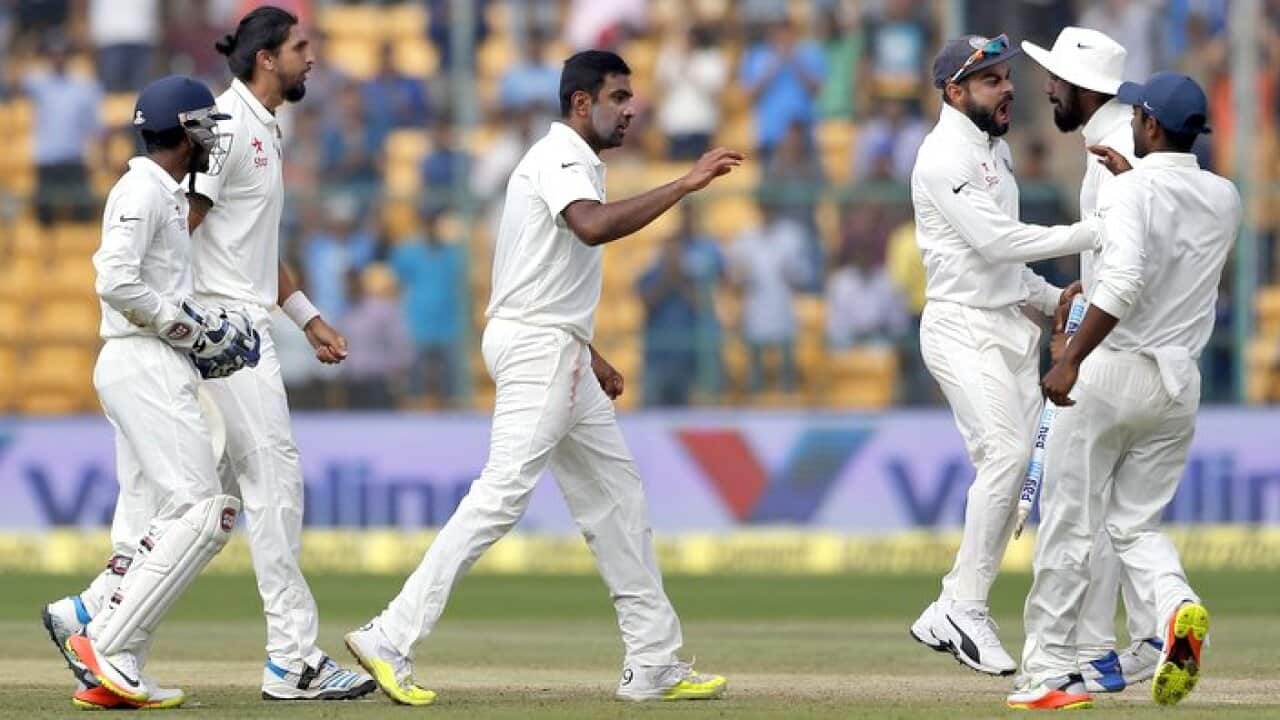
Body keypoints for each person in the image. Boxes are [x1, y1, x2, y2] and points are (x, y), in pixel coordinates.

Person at [343, 50, 739, 706]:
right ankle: (389, 635)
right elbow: (589, 230)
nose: (631, 108)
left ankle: (654, 662)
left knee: (618, 500)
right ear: (581, 103)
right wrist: (685, 184)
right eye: (618, 96)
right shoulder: (561, 156)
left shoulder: (578, 161)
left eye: (631, 96)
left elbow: (551, 274)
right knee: (500, 496)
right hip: (539, 349)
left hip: (560, 346)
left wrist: (593, 352)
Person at [1010, 72, 1236, 711]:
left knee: (1068, 524)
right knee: (1135, 526)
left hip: (1112, 370)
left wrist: (1070, 361)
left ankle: (1050, 672)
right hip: (1177, 384)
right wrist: (1128, 185)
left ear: (1151, 126)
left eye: (1138, 115)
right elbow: (1175, 223)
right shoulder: (1225, 196)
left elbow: (1127, 279)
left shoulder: (1134, 195)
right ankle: (1177, 608)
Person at [186, 6, 374, 700]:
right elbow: (179, 224)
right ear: (267, 57)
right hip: (224, 331)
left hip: (241, 322)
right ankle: (292, 660)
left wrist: (308, 317)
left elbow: (252, 246)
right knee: (276, 484)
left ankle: (101, 625)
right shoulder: (219, 123)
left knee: (199, 503)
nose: (312, 56)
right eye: (301, 46)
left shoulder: (264, 126)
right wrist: (172, 319)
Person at [51, 75, 254, 711]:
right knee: (205, 511)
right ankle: (106, 643)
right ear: (185, 129)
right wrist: (185, 325)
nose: (212, 139)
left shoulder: (164, 193)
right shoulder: (142, 189)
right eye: (206, 127)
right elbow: (115, 280)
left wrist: (204, 327)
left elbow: (155, 282)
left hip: (147, 361)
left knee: (152, 521)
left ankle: (102, 642)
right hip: (142, 360)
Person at [906, 34, 1102, 676]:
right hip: (961, 329)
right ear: (955, 91)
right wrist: (1099, 230)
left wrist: (1056, 303)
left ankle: (953, 605)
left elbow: (1009, 277)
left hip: (1006, 323)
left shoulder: (994, 149)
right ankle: (964, 607)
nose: (1008, 87)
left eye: (1007, 77)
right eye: (991, 80)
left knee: (1022, 471)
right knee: (1008, 454)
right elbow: (995, 244)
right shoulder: (942, 157)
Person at [1021, 26, 1161, 694]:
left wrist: (1074, 353)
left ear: (1081, 87)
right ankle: (1132, 640)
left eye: (1054, 79)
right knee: (1111, 513)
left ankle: (1057, 664)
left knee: (1074, 509)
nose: (1046, 87)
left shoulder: (1114, 149)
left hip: (1111, 354)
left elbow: (1132, 266)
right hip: (1131, 347)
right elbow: (1123, 252)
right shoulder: (1117, 139)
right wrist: (1088, 283)